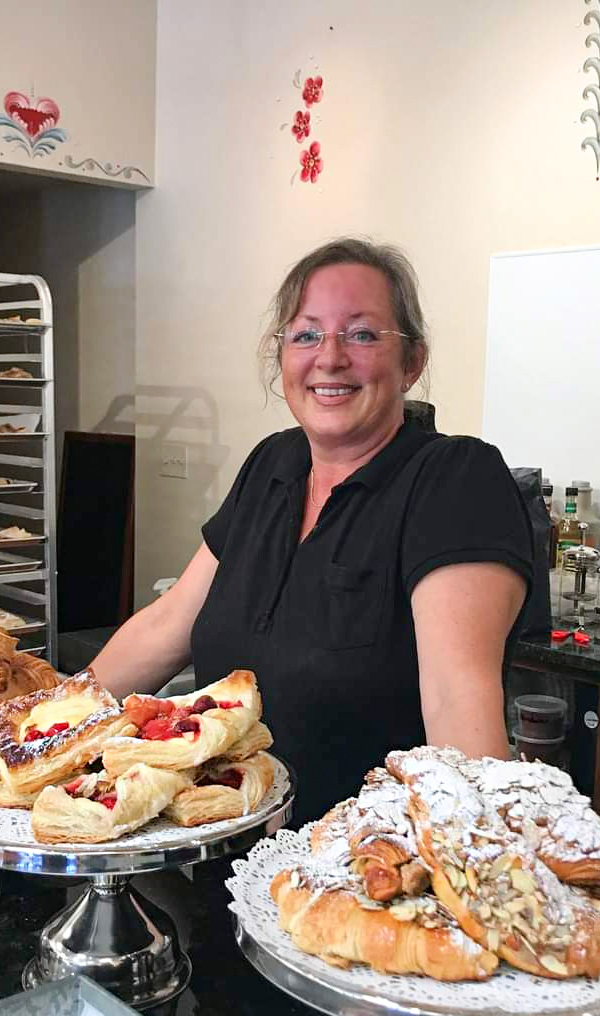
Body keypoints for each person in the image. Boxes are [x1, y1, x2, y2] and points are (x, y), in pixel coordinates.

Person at [91, 238, 532, 822]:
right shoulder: (273, 464)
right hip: (217, 843)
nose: (329, 358)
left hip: (360, 867)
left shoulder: (454, 480)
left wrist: (479, 864)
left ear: (413, 362)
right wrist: (47, 724)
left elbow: (457, 697)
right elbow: (170, 623)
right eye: (305, 335)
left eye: (362, 334)